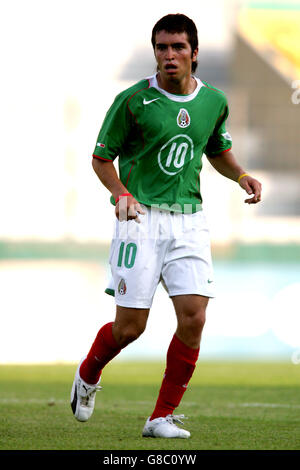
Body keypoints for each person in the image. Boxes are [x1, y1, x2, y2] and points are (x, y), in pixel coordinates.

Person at [70, 13, 262, 439]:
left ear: (195, 53)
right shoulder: (133, 100)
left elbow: (216, 148)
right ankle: (88, 374)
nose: (169, 55)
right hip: (139, 220)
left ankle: (161, 417)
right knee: (130, 328)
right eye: (161, 47)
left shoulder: (214, 100)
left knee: (194, 317)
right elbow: (102, 158)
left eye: (177, 47)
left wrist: (241, 176)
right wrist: (121, 193)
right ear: (154, 52)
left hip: (189, 219)